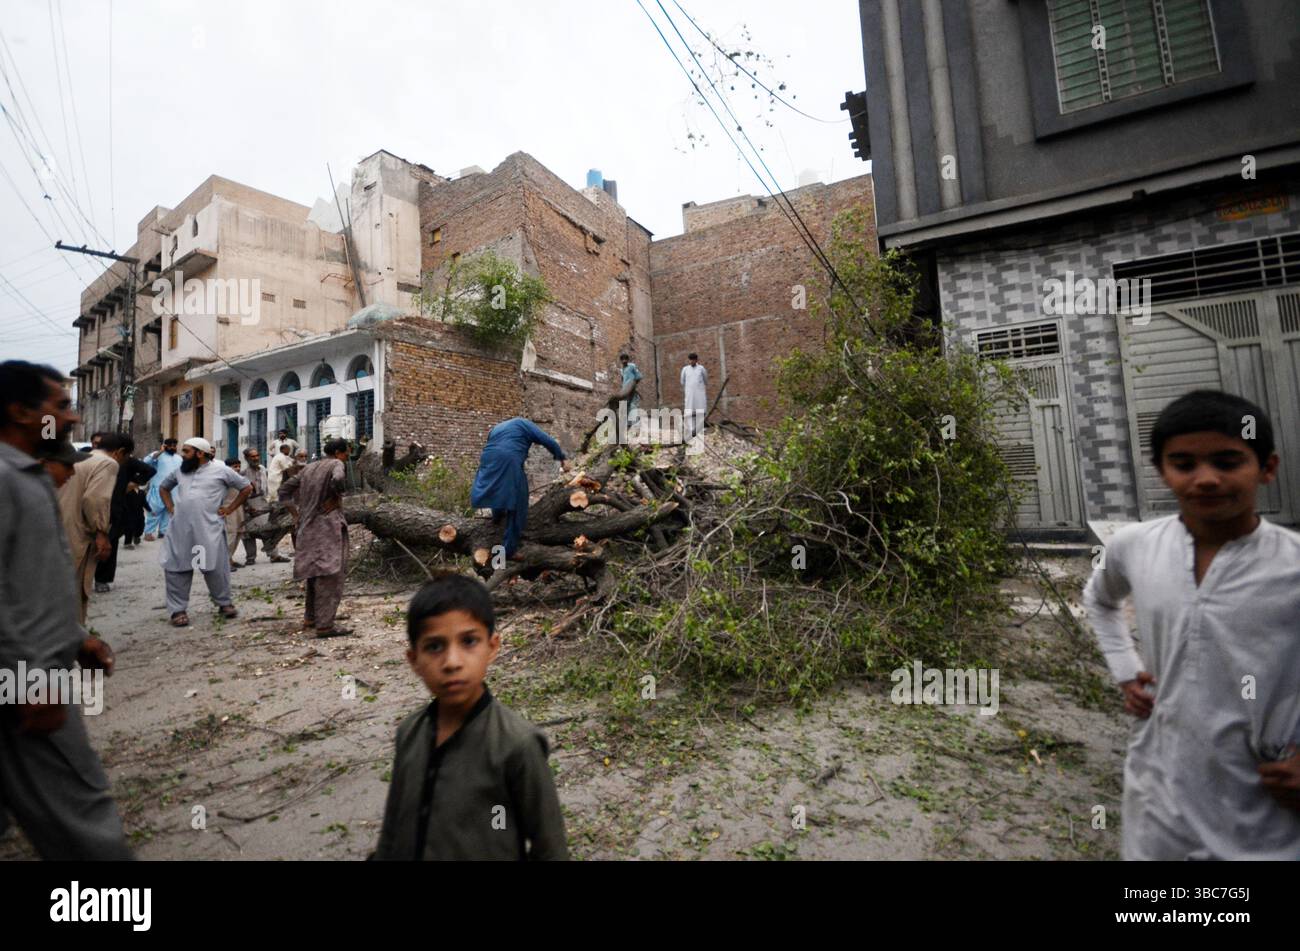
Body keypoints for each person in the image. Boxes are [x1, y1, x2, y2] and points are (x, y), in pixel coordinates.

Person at [1082, 390, 1300, 860]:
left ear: (1267, 467)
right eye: (1183, 464)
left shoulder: (1292, 566)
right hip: (1159, 797)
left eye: (1227, 461)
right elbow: (1099, 600)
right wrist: (1125, 669)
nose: (1205, 479)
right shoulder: (1136, 546)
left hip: (1267, 810)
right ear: (1162, 471)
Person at [0, 361, 132, 860]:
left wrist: (76, 637)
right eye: (61, 406)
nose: (73, 419)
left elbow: (25, 583)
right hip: (24, 685)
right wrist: (29, 681)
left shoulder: (27, 477)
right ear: (19, 410)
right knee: (85, 822)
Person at [373, 573, 567, 860]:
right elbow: (393, 829)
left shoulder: (517, 745)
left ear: (492, 647)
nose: (452, 662)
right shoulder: (410, 733)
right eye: (434, 646)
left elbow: (550, 848)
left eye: (469, 641)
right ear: (414, 660)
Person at [157, 437, 252, 627]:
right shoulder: (180, 471)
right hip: (180, 530)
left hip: (208, 528)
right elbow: (164, 488)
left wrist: (230, 509)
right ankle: (178, 610)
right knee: (177, 568)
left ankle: (224, 603)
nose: (182, 455)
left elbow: (246, 487)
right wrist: (171, 508)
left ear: (200, 454)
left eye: (186, 451)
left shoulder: (221, 470)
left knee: (215, 567)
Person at [278, 438, 352, 637]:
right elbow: (337, 480)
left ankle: (310, 618)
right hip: (327, 528)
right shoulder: (337, 464)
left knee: (313, 574)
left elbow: (283, 491)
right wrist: (337, 497)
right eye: (346, 453)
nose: (347, 457)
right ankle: (325, 625)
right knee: (331, 575)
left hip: (306, 528)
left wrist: (296, 514)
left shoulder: (309, 468)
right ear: (338, 453)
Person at [470, 418, 570, 560]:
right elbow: (547, 440)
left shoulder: (496, 427)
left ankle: (497, 518)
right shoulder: (524, 424)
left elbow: (494, 445)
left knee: (496, 490)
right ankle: (508, 551)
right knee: (519, 504)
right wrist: (562, 458)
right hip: (509, 459)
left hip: (487, 457)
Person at [56, 432, 120, 624]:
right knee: (72, 592)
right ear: (120, 452)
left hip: (58, 532)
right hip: (77, 535)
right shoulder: (108, 463)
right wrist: (101, 532)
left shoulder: (79, 460)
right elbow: (94, 499)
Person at [94, 434, 156, 591]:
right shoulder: (89, 459)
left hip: (114, 507)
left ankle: (102, 579)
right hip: (92, 507)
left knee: (110, 544)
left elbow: (149, 470)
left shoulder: (126, 462)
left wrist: (132, 483)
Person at [142, 438, 181, 539]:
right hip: (158, 488)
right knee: (154, 511)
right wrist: (161, 451)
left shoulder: (178, 458)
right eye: (171, 445)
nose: (173, 447)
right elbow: (146, 462)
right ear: (165, 445)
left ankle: (163, 532)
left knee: (169, 510)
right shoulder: (158, 455)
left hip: (174, 489)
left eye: (175, 445)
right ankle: (148, 532)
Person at [223, 458, 247, 572]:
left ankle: (230, 559)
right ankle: (225, 561)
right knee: (231, 534)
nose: (237, 468)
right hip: (228, 509)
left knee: (239, 533)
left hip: (239, 509)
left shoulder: (240, 478)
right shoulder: (225, 478)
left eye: (238, 466)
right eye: (234, 466)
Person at [680, 352, 708, 439]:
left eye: (693, 360)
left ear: (696, 360)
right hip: (689, 393)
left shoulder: (701, 368)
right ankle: (692, 429)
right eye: (690, 360)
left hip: (699, 393)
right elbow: (682, 381)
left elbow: (705, 379)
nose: (692, 361)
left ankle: (701, 428)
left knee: (700, 409)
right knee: (690, 410)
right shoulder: (685, 369)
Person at [615, 352, 642, 439]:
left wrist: (633, 387)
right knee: (625, 408)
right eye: (622, 359)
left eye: (625, 359)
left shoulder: (632, 366)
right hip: (625, 391)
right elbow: (623, 380)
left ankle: (636, 427)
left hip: (631, 390)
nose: (624, 361)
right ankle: (628, 428)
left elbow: (639, 377)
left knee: (633, 407)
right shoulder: (622, 370)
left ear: (627, 359)